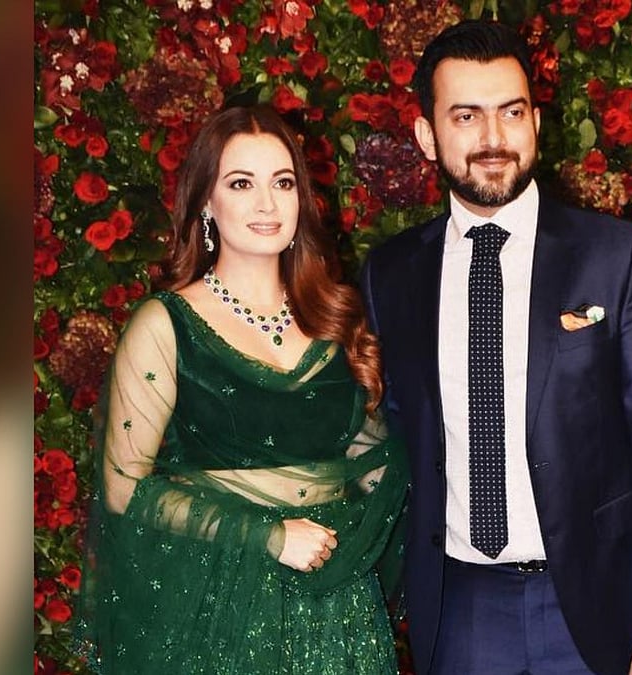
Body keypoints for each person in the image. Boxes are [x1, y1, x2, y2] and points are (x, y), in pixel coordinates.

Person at [360, 20, 632, 675]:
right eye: (466, 116)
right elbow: (388, 440)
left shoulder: (616, 257)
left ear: (536, 123)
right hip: (460, 609)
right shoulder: (392, 274)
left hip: (596, 607)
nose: (493, 138)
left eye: (511, 112)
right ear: (427, 135)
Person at [77, 105, 408, 674]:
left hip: (335, 604)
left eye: (282, 183)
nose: (267, 204)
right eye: (241, 183)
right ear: (206, 201)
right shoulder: (165, 325)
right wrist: (267, 536)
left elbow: (370, 458)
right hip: (219, 601)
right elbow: (124, 487)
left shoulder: (336, 316)